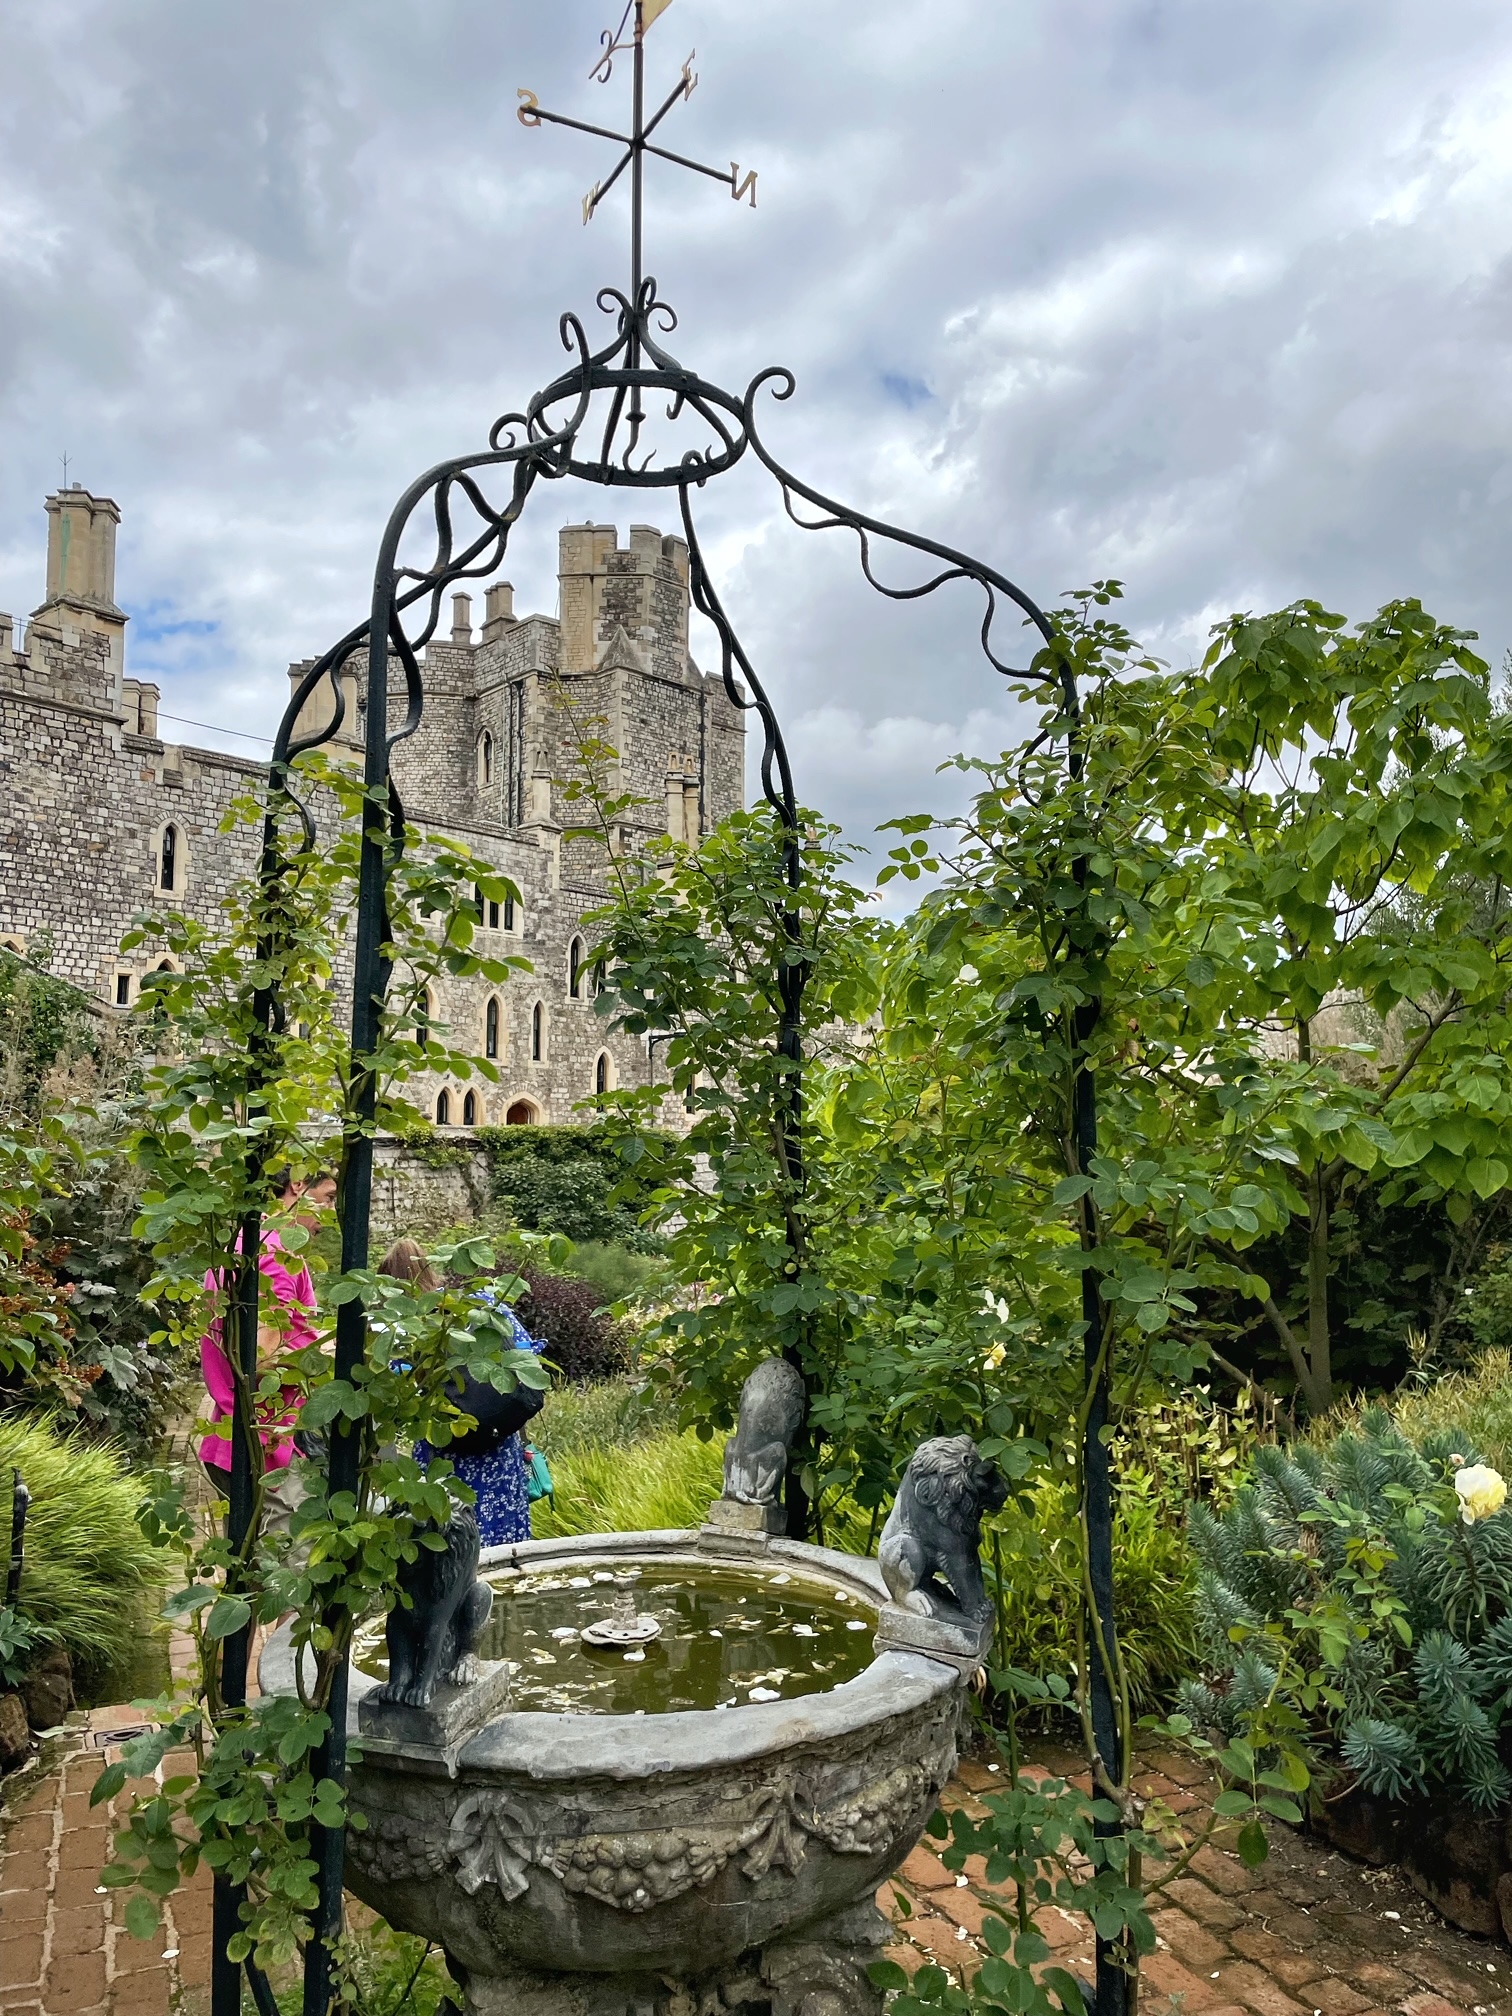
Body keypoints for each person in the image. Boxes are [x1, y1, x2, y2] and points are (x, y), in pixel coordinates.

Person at [377, 1237, 546, 1547]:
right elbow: (526, 1361)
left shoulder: (408, 1329)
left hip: (446, 1454)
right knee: (509, 1556)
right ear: (433, 1271)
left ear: (392, 1291)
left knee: (453, 1545)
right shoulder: (481, 1303)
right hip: (500, 1451)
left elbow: (393, 1397)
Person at [199, 1170, 337, 1536]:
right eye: (328, 1196)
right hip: (271, 1452)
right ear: (298, 1184)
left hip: (238, 1438)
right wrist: (333, 1353)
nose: (331, 1212)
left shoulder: (245, 1245)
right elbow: (259, 1360)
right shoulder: (274, 1254)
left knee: (248, 1580)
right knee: (290, 1579)